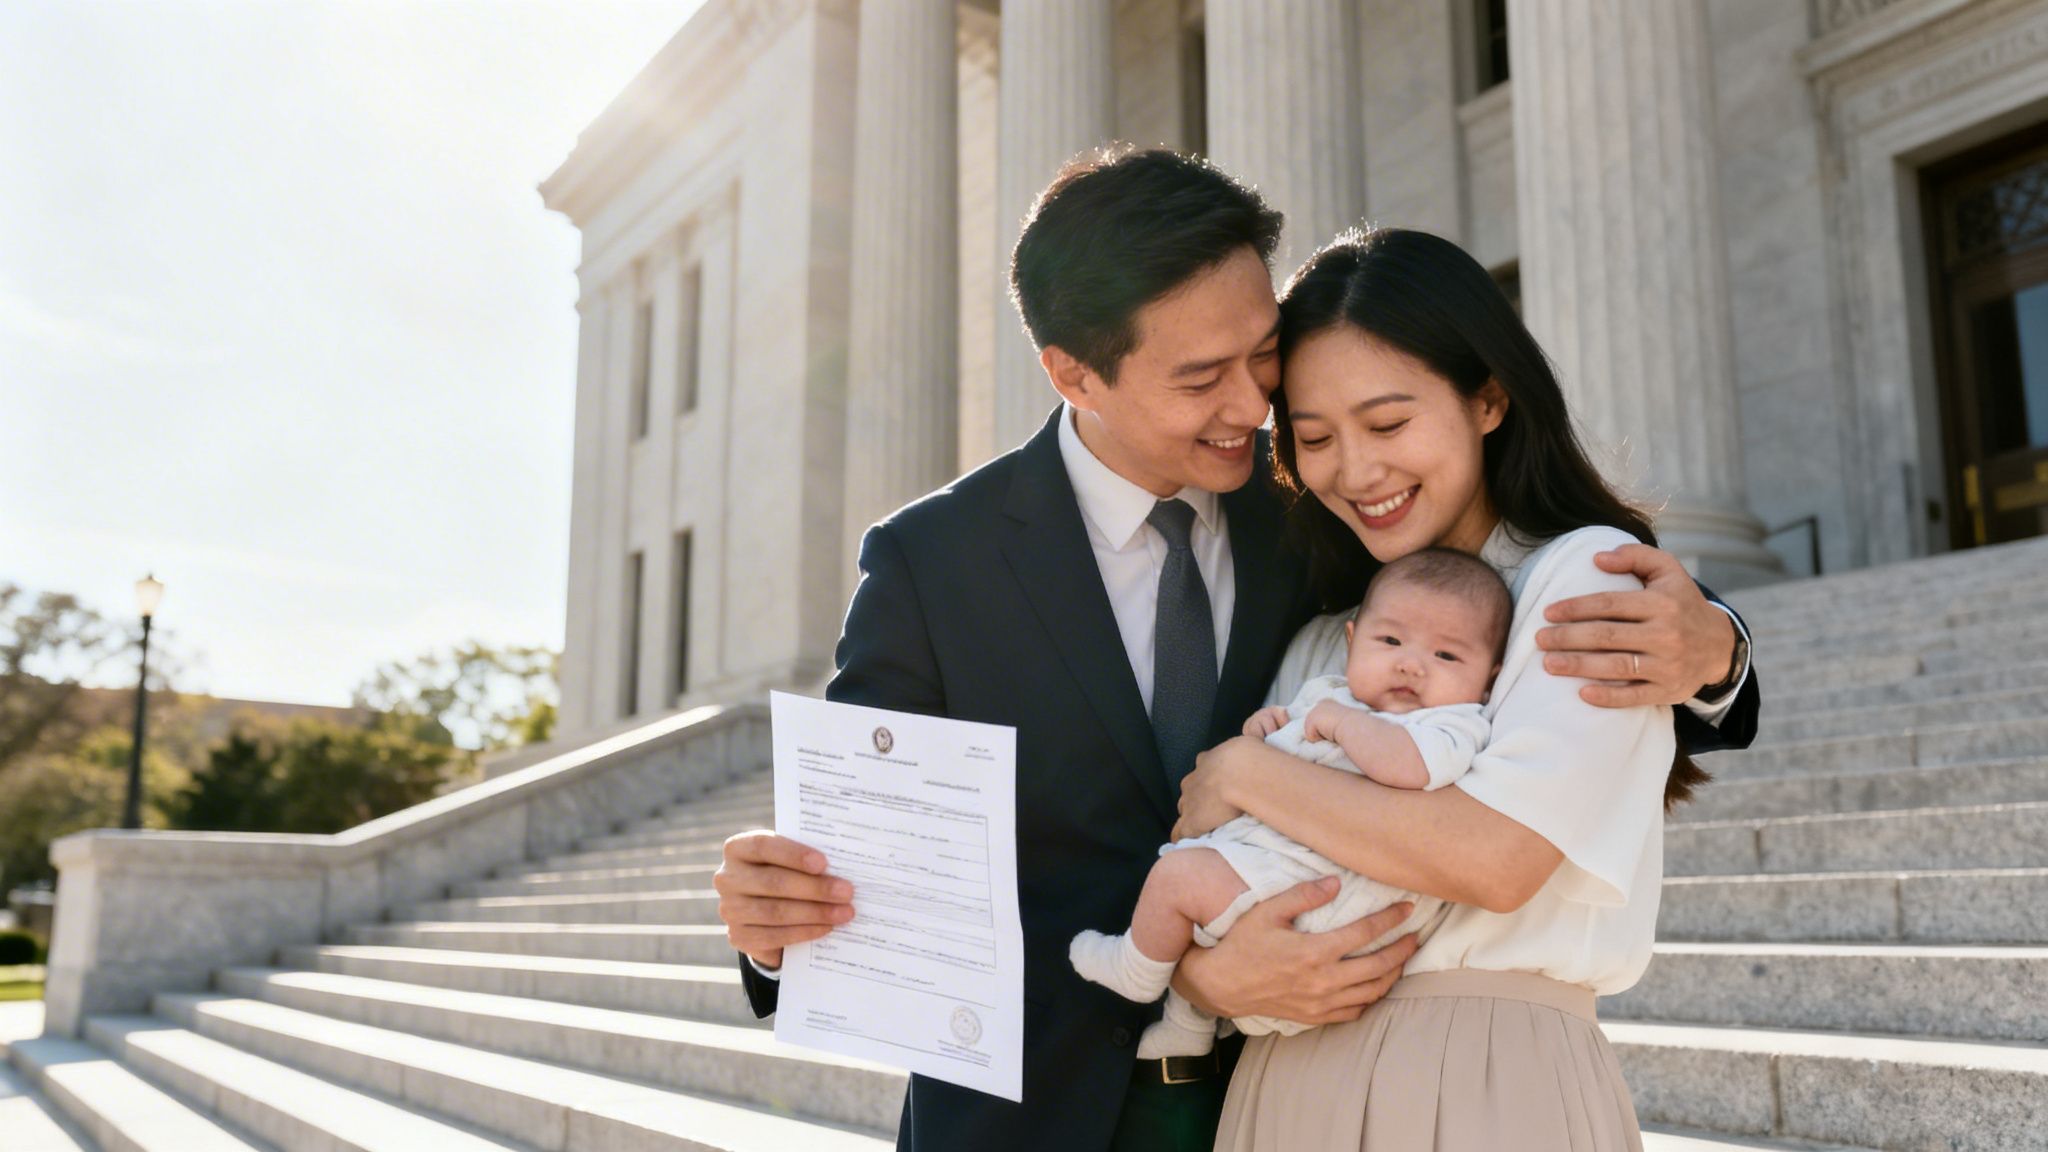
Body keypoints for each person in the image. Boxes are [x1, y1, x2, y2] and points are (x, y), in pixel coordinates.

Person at [713, 149, 1761, 1152]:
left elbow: (1505, 589)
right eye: (1201, 375)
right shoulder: (933, 562)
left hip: (1270, 1096)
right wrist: (779, 931)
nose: (1252, 406)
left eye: (1261, 353)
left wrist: (1717, 648)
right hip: (1035, 1122)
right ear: (1074, 373)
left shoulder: (1313, 502)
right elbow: (872, 866)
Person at [1168, 225, 1751, 1151]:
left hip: (1486, 1076)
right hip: (1278, 1087)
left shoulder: (1580, 579)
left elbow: (1495, 858)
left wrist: (1246, 771)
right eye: (1314, 438)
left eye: (1389, 424)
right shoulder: (1325, 637)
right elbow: (1234, 865)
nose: (1357, 471)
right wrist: (1204, 978)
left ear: (1488, 398)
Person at [1069, 548, 1510, 1058]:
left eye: (1446, 656)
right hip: (1281, 870)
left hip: (1325, 895)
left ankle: (1136, 970)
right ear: (1352, 642)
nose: (1410, 665)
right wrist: (1265, 733)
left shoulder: (1453, 724)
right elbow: (1273, 764)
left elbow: (1413, 768)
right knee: (1201, 894)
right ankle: (1189, 1026)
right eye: (1390, 641)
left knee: (1177, 878)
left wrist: (1345, 727)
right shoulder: (1328, 693)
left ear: (1489, 679)